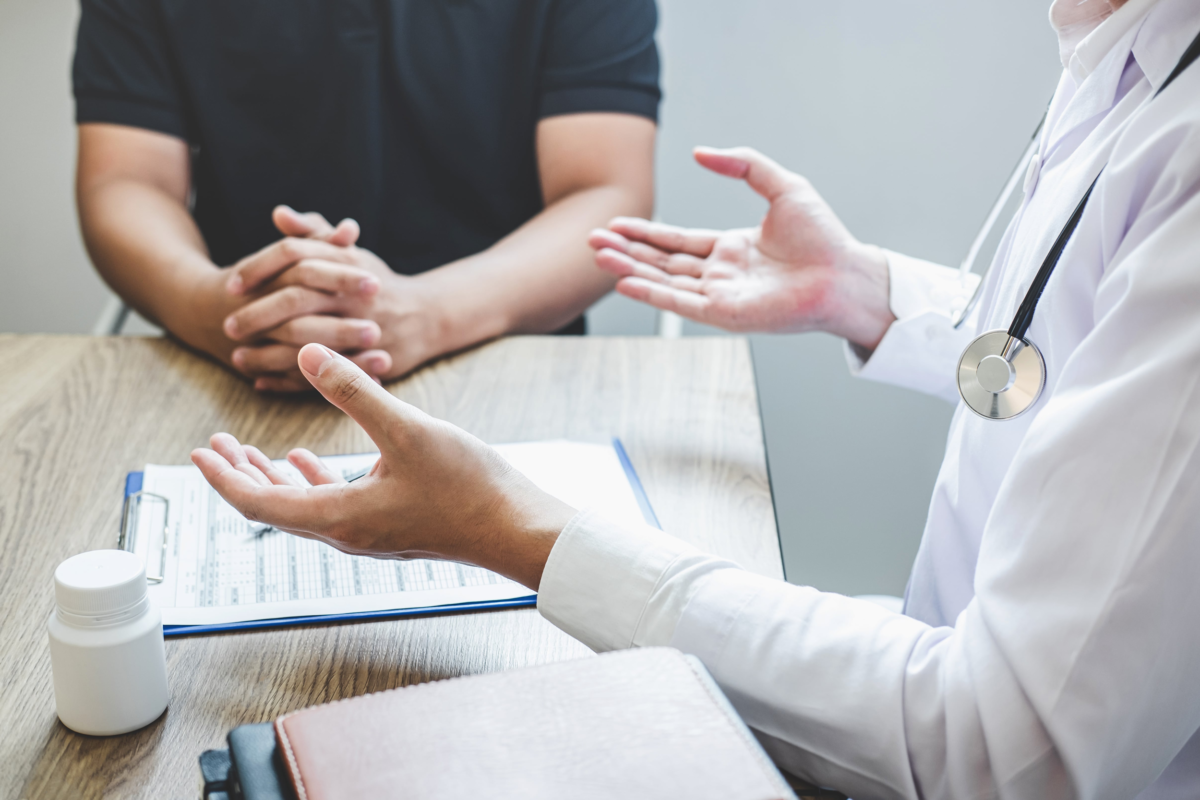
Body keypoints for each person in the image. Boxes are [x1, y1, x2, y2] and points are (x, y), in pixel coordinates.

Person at [189, 0, 1200, 796]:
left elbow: (1007, 752)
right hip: (937, 673)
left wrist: (517, 528)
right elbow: (1088, 354)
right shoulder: (1120, 48)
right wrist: (876, 295)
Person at [72, 0, 658, 391]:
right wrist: (215, 309)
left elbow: (607, 190)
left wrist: (429, 314)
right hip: (238, 369)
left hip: (507, 364)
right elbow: (126, 182)